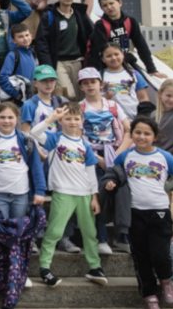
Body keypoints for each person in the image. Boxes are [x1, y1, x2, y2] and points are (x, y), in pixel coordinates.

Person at [104, 118, 173, 309]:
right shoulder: (125, 156)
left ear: (155, 137)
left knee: (160, 254)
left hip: (160, 212)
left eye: (147, 133)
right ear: (132, 134)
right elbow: (113, 172)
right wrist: (112, 182)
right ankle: (149, 294)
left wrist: (166, 187)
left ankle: (166, 281)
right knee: (140, 256)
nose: (142, 137)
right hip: (134, 213)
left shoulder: (163, 156)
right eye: (138, 132)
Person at [28, 103, 107, 288]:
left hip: (85, 194)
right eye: (68, 118)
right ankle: (45, 268)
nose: (72, 122)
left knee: (90, 232)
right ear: (62, 120)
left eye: (76, 119)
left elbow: (90, 173)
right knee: (55, 231)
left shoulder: (85, 145)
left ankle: (95, 267)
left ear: (82, 121)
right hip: (63, 191)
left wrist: (95, 197)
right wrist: (52, 119)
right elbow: (34, 133)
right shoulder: (55, 138)